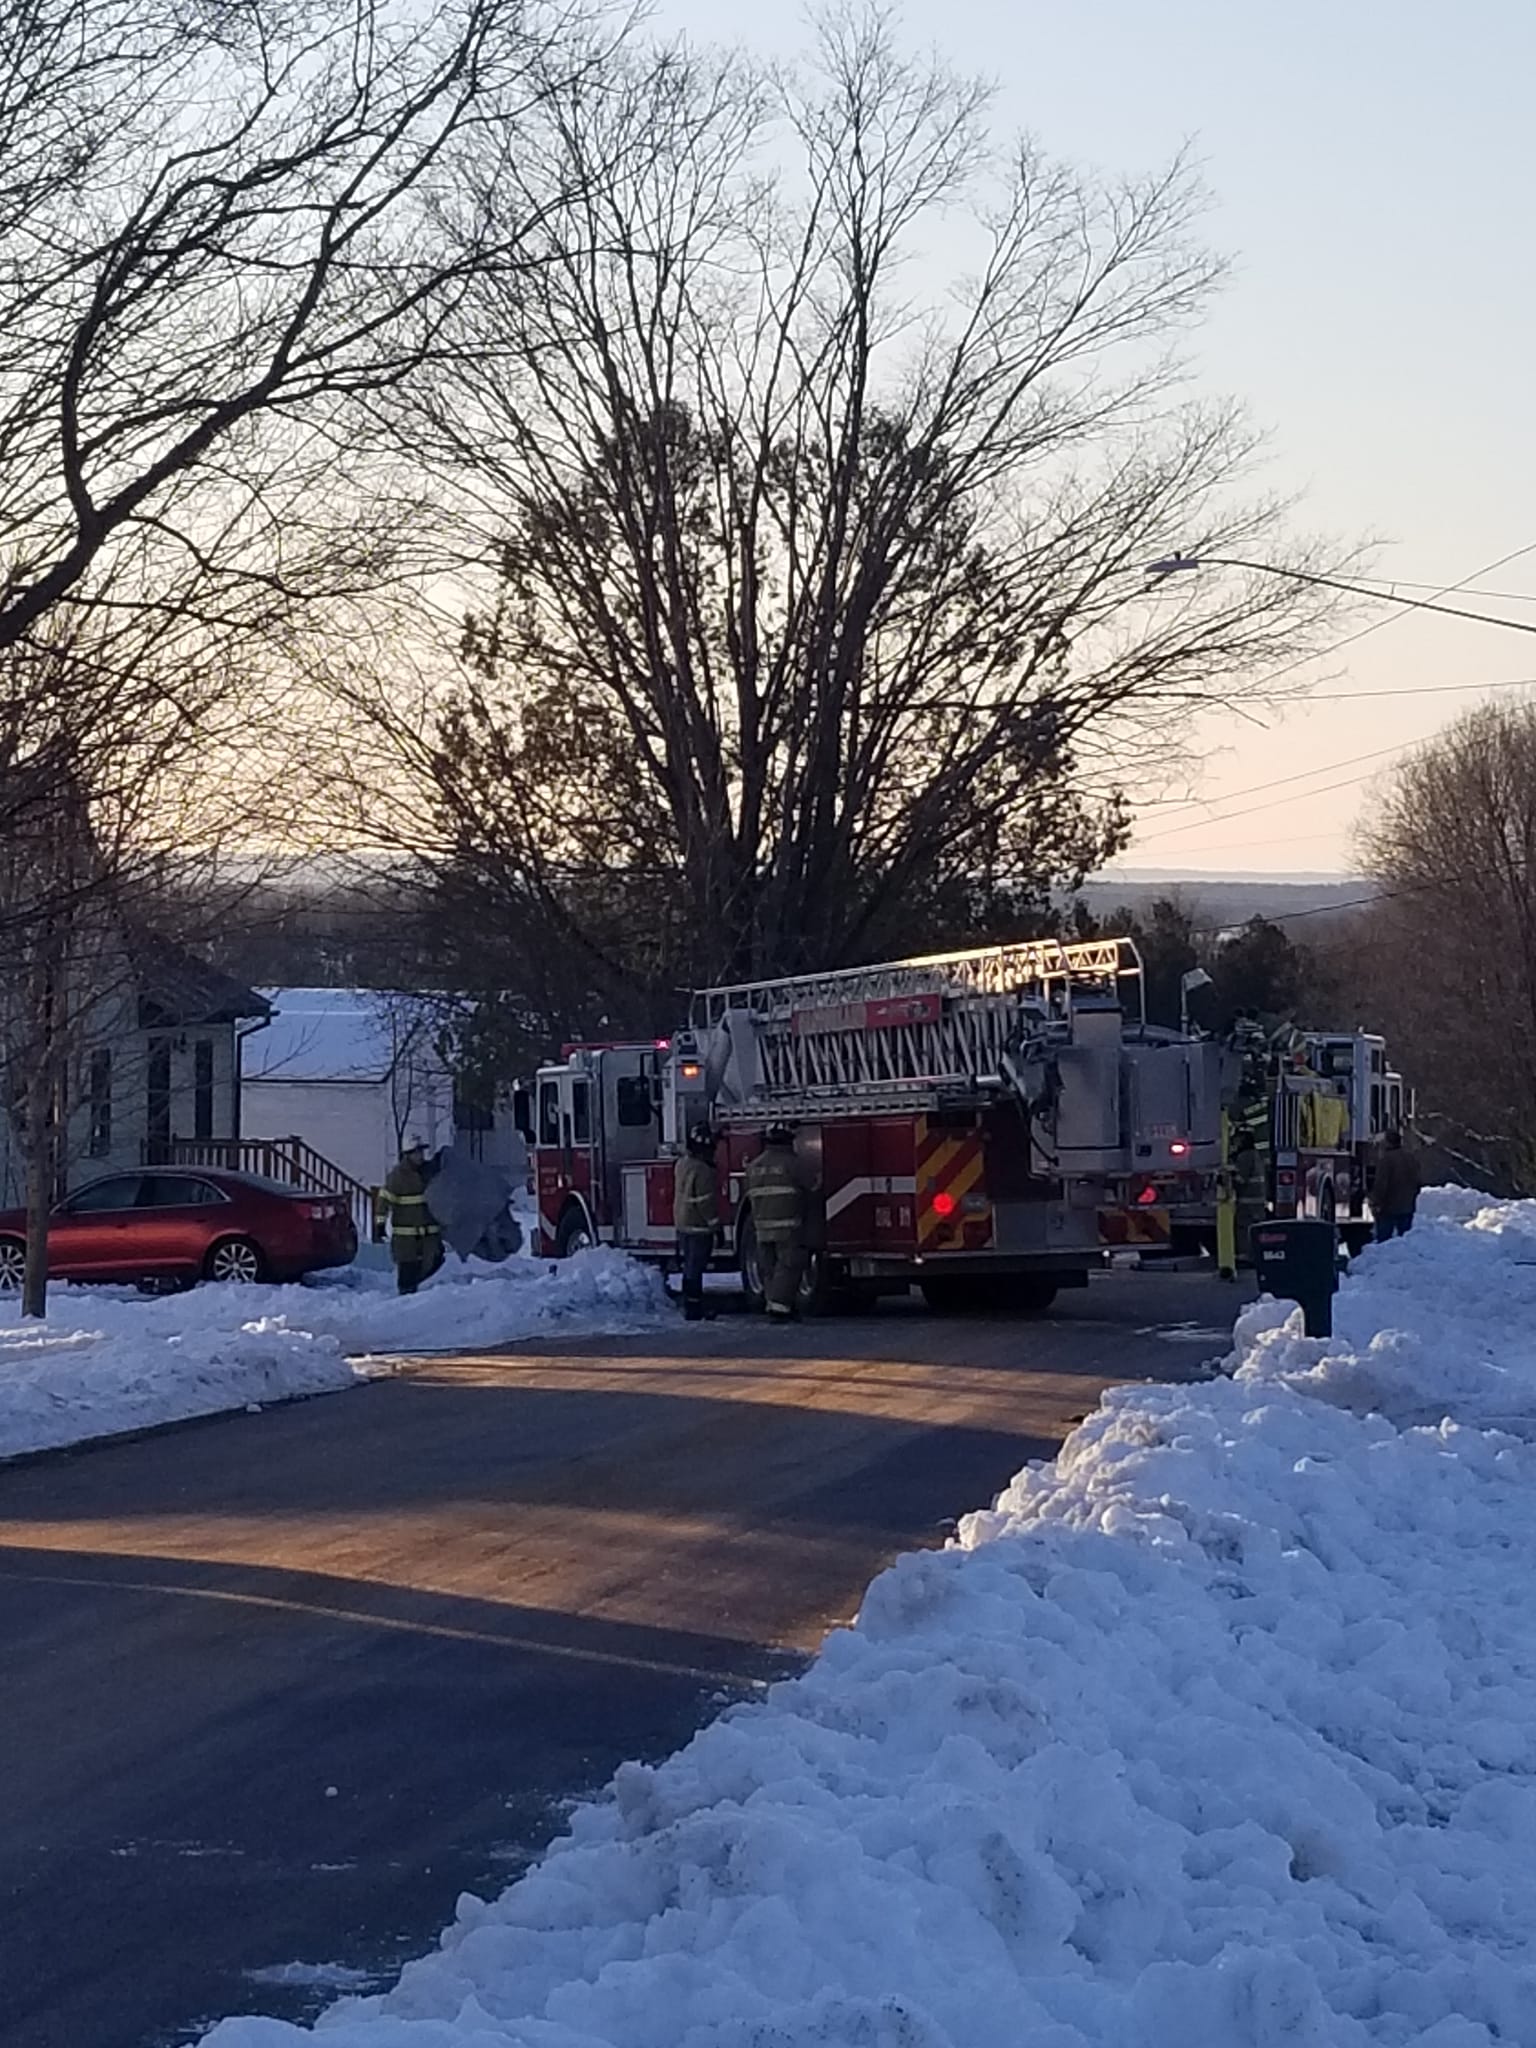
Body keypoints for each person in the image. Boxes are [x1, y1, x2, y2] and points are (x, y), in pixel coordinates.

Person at [745, 1122, 813, 1319]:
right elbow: (813, 1185)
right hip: (788, 1226)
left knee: (769, 1267)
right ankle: (780, 1308)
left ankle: (772, 1303)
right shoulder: (793, 1163)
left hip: (761, 1227)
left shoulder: (754, 1166)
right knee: (789, 1265)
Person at [380, 1139, 443, 1295]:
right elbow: (384, 1200)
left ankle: (414, 1288)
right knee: (407, 1268)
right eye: (416, 1152)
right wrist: (379, 1224)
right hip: (405, 1236)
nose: (420, 1155)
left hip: (429, 1234)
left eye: (422, 1151)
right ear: (407, 1155)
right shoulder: (397, 1176)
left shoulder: (430, 1172)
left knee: (435, 1260)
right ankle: (405, 1299)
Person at [673, 1121, 720, 1321]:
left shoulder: (682, 1164)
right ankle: (694, 1308)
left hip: (683, 1224)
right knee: (696, 1268)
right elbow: (705, 1202)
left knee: (689, 1268)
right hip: (699, 1227)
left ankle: (690, 1306)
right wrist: (716, 1225)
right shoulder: (703, 1170)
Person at [1370, 1129, 1423, 1243]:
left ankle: (1384, 1259)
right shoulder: (1411, 1158)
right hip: (1407, 1206)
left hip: (1389, 1208)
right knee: (1405, 1240)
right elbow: (1418, 1181)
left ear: (1388, 1142)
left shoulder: (1386, 1160)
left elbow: (1381, 1183)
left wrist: (1376, 1202)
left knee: (1384, 1241)